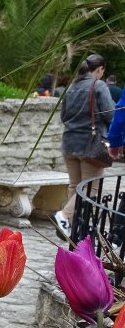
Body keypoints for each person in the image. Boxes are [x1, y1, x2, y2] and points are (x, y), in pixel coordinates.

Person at [54, 53, 115, 238]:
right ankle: (64, 216)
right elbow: (110, 114)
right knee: (90, 188)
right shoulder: (99, 85)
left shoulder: (70, 88)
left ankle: (74, 228)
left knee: (75, 186)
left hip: (69, 142)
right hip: (90, 144)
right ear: (99, 69)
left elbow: (63, 116)